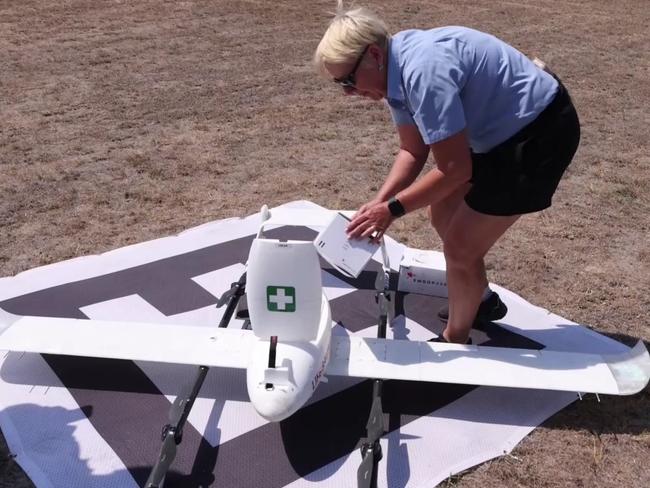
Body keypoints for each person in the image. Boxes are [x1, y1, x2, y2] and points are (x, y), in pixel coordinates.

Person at [313, 3, 580, 344]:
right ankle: (480, 299)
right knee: (443, 211)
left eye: (349, 80)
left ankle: (455, 341)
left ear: (375, 55)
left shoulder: (422, 73)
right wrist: (379, 203)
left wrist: (393, 210)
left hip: (539, 132)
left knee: (460, 246)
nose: (349, 94)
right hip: (500, 131)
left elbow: (454, 170)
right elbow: (413, 150)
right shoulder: (394, 71)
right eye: (341, 86)